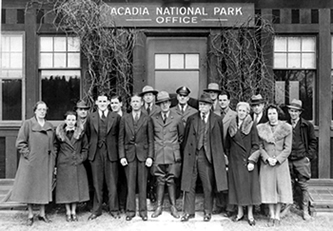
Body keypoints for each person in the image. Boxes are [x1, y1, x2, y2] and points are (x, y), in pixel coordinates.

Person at [181, 93, 228, 222]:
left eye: (205, 104)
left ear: (210, 106)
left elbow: (220, 140)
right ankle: (188, 212)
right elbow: (186, 138)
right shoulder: (192, 118)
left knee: (208, 185)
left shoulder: (216, 119)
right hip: (192, 155)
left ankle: (207, 211)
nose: (202, 107)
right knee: (189, 185)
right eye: (201, 104)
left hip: (207, 157)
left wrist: (218, 157)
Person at [11, 101, 56, 226]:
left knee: (43, 187)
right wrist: (28, 155)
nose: (42, 112)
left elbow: (53, 144)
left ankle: (42, 213)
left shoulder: (49, 125)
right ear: (35, 111)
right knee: (29, 187)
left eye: (44, 109)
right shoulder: (28, 124)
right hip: (30, 162)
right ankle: (30, 214)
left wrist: (53, 156)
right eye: (40, 109)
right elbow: (20, 142)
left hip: (45, 162)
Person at [249, 104, 293, 227]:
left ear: (278, 114)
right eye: (269, 114)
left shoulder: (287, 128)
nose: (272, 116)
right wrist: (267, 158)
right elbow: (260, 146)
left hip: (280, 164)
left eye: (274, 113)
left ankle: (277, 215)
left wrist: (278, 159)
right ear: (266, 115)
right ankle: (271, 214)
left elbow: (288, 148)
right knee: (269, 189)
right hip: (267, 163)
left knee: (279, 189)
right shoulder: (261, 128)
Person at [118, 93, 154, 221]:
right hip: (129, 156)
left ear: (142, 103)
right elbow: (120, 139)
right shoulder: (125, 118)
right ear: (130, 104)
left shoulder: (147, 118)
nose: (135, 104)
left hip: (143, 156)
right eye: (133, 102)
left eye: (137, 102)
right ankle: (130, 211)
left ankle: (143, 212)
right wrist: (122, 155)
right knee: (130, 184)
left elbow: (150, 140)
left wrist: (150, 156)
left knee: (143, 184)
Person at [86, 94, 121, 220]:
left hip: (111, 153)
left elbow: (119, 136)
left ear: (108, 103)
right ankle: (97, 209)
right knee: (97, 182)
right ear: (96, 102)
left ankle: (114, 209)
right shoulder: (91, 117)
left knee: (112, 183)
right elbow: (88, 134)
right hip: (95, 153)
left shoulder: (115, 117)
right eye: (100, 101)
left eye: (104, 101)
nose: (102, 103)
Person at [225, 102, 260, 226]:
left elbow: (256, 145)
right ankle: (240, 213)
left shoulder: (252, 125)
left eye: (244, 111)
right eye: (239, 110)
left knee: (248, 188)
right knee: (237, 187)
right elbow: (227, 145)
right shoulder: (232, 125)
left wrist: (251, 160)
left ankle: (250, 215)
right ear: (236, 111)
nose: (241, 113)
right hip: (235, 162)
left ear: (247, 112)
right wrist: (228, 160)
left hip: (247, 162)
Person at [151, 91, 184, 219]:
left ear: (170, 103)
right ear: (158, 105)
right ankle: (158, 207)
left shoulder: (177, 118)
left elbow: (181, 137)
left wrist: (174, 148)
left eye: (166, 102)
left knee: (171, 180)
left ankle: (173, 207)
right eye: (161, 103)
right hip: (158, 153)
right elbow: (151, 136)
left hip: (172, 154)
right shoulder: (154, 118)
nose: (164, 105)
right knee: (159, 180)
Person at [55, 111, 89, 222]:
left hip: (76, 163)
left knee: (75, 188)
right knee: (65, 188)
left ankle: (74, 211)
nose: (71, 122)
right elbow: (55, 149)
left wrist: (81, 158)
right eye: (69, 119)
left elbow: (85, 148)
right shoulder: (59, 134)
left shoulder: (81, 133)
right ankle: (67, 211)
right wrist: (56, 164)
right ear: (65, 121)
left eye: (73, 120)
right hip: (64, 163)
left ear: (76, 121)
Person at [287, 99, 317, 220]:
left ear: (300, 113)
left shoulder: (307, 125)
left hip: (301, 159)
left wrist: (308, 157)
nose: (293, 113)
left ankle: (305, 211)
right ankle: (288, 208)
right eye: (291, 111)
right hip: (288, 158)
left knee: (303, 185)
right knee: (289, 183)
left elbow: (313, 142)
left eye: (295, 111)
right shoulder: (285, 124)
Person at [213, 91, 237, 216]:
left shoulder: (235, 115)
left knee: (229, 179)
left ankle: (230, 208)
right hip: (217, 149)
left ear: (229, 101)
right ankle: (219, 205)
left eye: (224, 100)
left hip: (230, 149)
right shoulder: (214, 114)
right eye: (220, 100)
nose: (222, 102)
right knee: (218, 178)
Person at [139, 85, 159, 202]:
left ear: (153, 97)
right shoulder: (139, 109)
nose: (148, 97)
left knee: (154, 169)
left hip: (155, 141)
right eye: (146, 95)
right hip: (142, 144)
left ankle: (153, 191)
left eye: (150, 95)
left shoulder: (158, 109)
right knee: (144, 170)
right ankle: (145, 191)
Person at [110, 95, 127, 213]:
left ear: (121, 104)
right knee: (113, 180)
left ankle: (123, 205)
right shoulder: (109, 117)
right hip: (112, 153)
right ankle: (114, 204)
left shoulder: (127, 116)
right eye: (112, 103)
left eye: (116, 103)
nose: (114, 105)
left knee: (124, 180)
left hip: (126, 152)